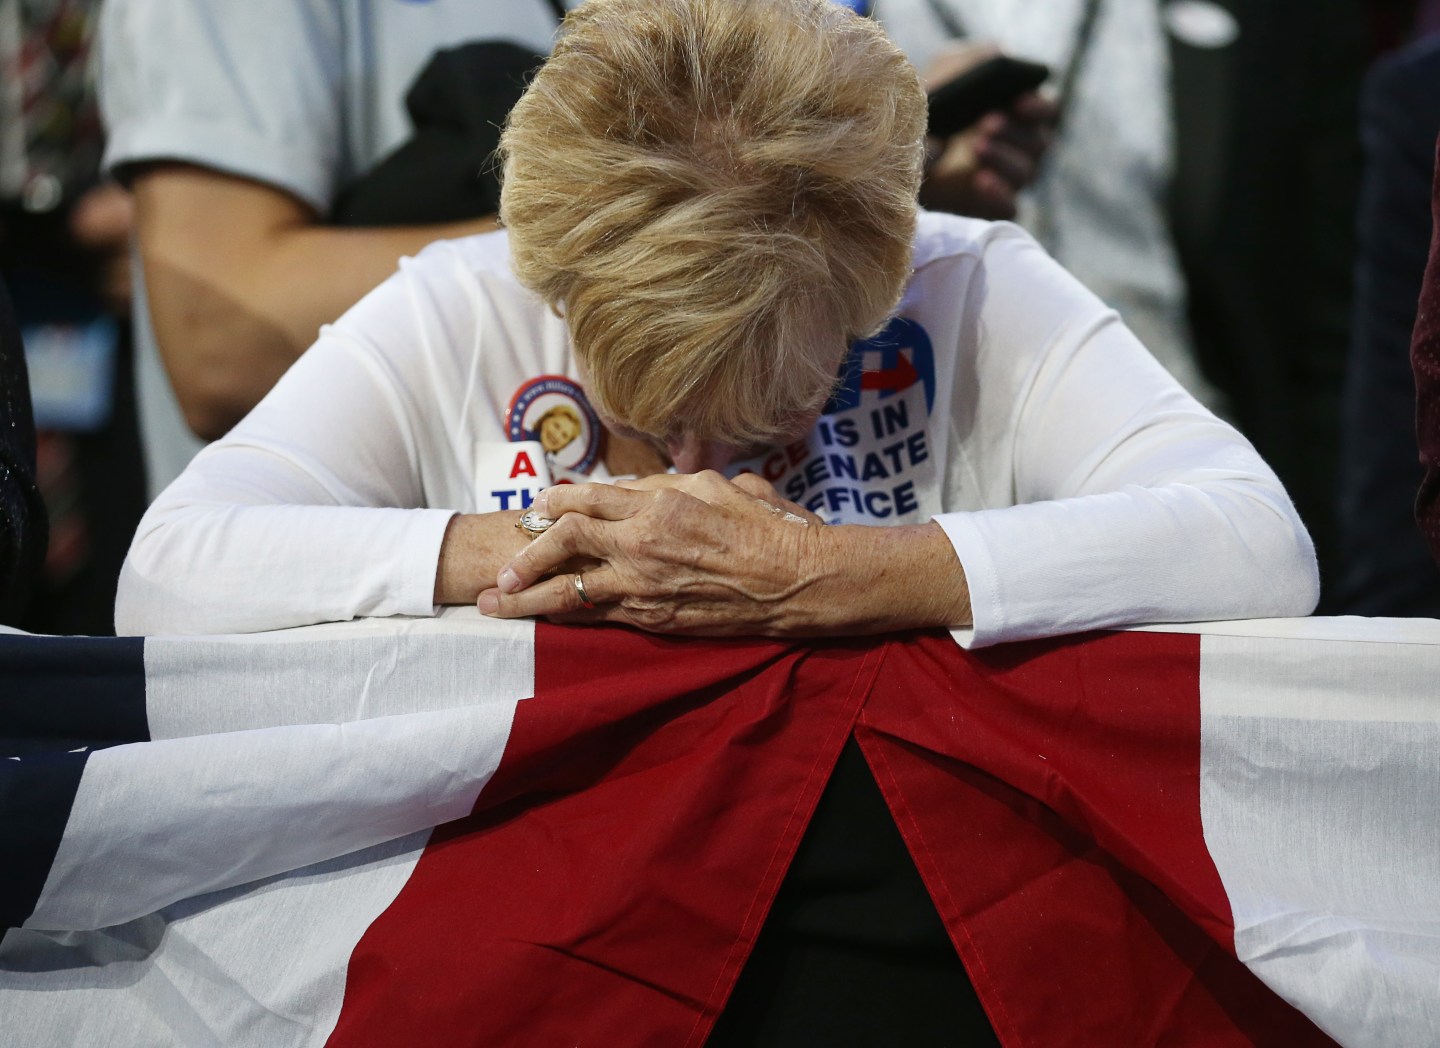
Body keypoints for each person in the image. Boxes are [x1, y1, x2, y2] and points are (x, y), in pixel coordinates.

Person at [115, 0, 1316, 649]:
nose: (696, 471)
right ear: (551, 278)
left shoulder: (975, 283)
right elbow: (172, 569)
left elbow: (1257, 544)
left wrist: (833, 574)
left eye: (766, 403)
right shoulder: (462, 295)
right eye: (646, 411)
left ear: (881, 275)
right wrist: (546, 552)